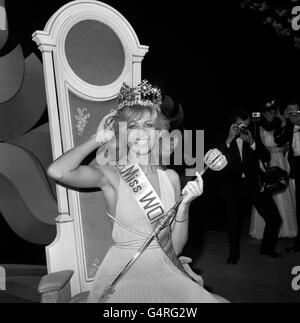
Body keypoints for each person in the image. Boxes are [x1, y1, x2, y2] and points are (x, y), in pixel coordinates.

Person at [47, 80, 227, 303]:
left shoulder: (170, 178)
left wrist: (185, 206)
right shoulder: (112, 174)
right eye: (132, 126)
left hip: (165, 268)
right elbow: (57, 171)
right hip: (125, 273)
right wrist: (99, 138)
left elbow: (177, 247)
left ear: (160, 132)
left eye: (148, 126)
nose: (141, 133)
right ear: (122, 133)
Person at [216, 109, 282, 265]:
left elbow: (266, 156)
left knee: (274, 218)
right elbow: (216, 159)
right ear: (232, 124)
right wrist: (229, 139)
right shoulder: (224, 136)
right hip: (232, 185)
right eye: (239, 125)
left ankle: (267, 248)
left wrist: (252, 142)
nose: (242, 129)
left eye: (245, 125)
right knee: (233, 222)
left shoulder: (252, 135)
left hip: (254, 182)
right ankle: (233, 254)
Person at [250, 99, 297, 240]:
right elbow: (258, 146)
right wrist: (272, 149)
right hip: (267, 161)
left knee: (283, 191)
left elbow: (285, 139)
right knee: (268, 191)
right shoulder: (258, 126)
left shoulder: (279, 124)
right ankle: (267, 228)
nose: (271, 113)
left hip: (280, 160)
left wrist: (283, 147)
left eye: (273, 111)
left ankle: (285, 228)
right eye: (268, 111)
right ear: (263, 113)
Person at [275, 99, 300, 252]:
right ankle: (299, 244)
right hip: (297, 169)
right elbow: (279, 140)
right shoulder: (290, 127)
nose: (294, 114)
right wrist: (284, 122)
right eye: (290, 111)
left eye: (296, 110)